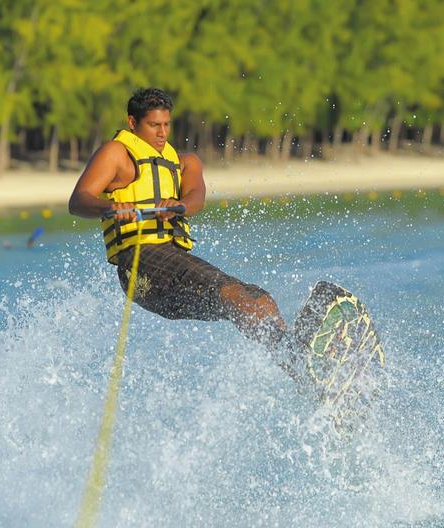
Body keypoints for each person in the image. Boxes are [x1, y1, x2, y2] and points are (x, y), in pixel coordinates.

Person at [68, 87, 290, 355]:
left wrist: (178, 206)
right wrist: (111, 206)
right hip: (139, 264)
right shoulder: (117, 155)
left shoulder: (185, 163)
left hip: (171, 273)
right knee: (232, 293)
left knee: (256, 297)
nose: (162, 133)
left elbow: (196, 198)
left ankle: (296, 362)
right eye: (154, 125)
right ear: (132, 123)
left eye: (166, 125)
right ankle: (292, 350)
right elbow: (78, 200)